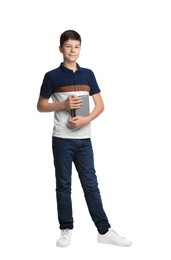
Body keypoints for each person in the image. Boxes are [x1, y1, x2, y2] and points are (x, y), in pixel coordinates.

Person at [37, 30, 132, 247]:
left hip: (84, 140)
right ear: (61, 48)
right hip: (61, 139)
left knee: (91, 185)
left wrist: (85, 120)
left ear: (80, 48)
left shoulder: (88, 74)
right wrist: (62, 105)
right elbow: (40, 106)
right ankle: (65, 229)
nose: (73, 51)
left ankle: (104, 230)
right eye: (68, 46)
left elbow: (100, 105)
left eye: (76, 46)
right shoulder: (52, 76)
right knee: (63, 185)